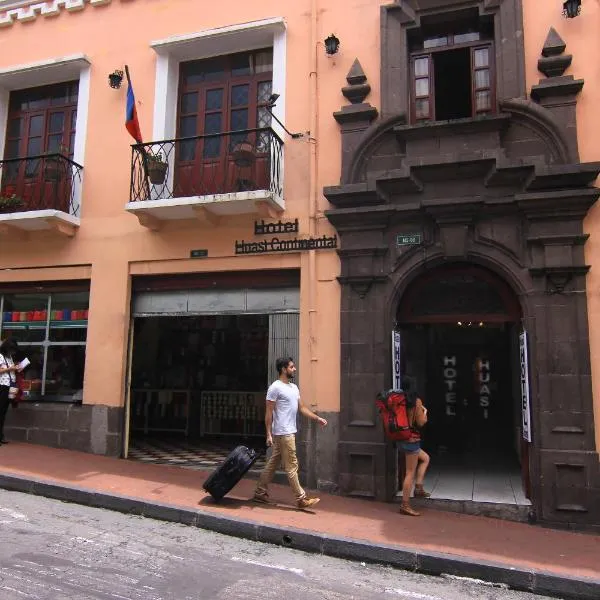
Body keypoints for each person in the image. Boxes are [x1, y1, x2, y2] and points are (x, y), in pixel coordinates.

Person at [253, 357, 327, 509]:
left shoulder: (293, 388)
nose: (294, 369)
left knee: (273, 464)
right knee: (292, 465)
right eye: (292, 367)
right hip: (283, 432)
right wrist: (268, 433)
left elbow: (302, 408)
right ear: (283, 369)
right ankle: (301, 498)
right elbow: (269, 413)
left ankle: (260, 493)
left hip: (288, 431)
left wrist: (317, 418)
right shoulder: (275, 387)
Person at [398, 376, 430, 516]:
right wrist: (425, 412)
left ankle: (418, 488)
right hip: (412, 440)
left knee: (425, 458)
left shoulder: (399, 400)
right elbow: (421, 422)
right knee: (410, 472)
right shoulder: (416, 402)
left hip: (401, 439)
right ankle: (405, 504)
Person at [0, 338, 22, 444]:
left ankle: (1, 435)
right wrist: (10, 369)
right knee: (1, 411)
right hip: (3, 386)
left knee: (4, 412)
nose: (13, 352)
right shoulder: (0, 356)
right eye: (12, 350)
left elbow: (11, 369)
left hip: (10, 386)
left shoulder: (10, 358)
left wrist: (17, 368)